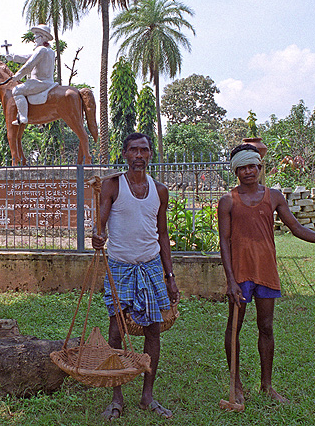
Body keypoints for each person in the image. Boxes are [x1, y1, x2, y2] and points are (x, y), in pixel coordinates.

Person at [217, 143, 315, 406]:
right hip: (240, 274)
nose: (248, 171)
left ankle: (267, 385)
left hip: (266, 271)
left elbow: (296, 228)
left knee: (266, 327)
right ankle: (236, 384)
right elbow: (224, 242)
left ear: (259, 168)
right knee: (235, 328)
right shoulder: (228, 201)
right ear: (236, 171)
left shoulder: (274, 197)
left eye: (252, 166)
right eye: (242, 167)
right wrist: (230, 281)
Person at [92, 133, 179, 420]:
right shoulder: (113, 185)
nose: (139, 155)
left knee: (153, 330)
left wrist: (170, 275)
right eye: (134, 150)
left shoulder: (160, 190)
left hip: (151, 265)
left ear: (150, 154)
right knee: (116, 331)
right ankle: (117, 397)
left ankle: (147, 396)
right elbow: (101, 222)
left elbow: (163, 234)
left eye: (144, 150)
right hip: (120, 266)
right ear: (125, 154)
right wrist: (97, 234)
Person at [6, 24, 56, 125]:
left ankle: (23, 117)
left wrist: (17, 77)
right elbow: (28, 57)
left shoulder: (40, 50)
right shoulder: (50, 51)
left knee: (16, 90)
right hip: (49, 82)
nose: (34, 40)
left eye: (36, 37)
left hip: (40, 82)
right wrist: (14, 57)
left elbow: (29, 65)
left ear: (42, 37)